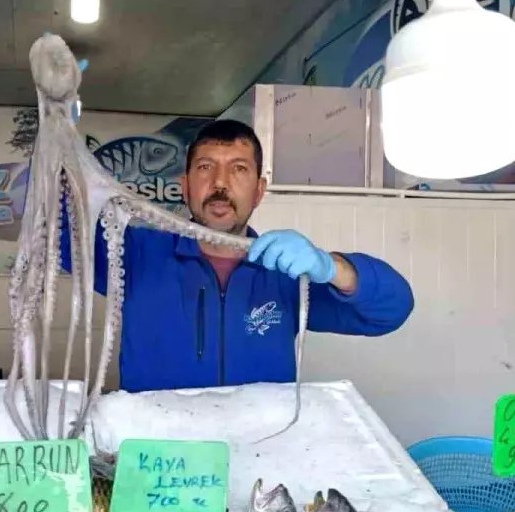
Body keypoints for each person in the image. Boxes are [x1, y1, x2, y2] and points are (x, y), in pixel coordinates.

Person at [64, 118, 414, 392]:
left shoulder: (287, 274)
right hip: (159, 463)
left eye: (239, 169)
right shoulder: (134, 255)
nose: (220, 184)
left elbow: (391, 310)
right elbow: (57, 233)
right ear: (184, 186)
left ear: (259, 191)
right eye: (205, 167)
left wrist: (331, 266)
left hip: (256, 462)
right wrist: (57, 131)